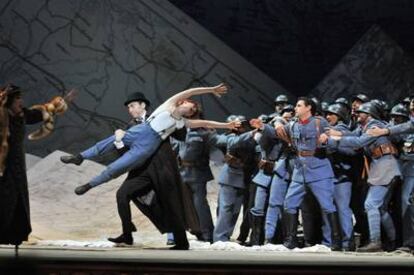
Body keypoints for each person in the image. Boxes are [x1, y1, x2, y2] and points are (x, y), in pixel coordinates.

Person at [61, 84, 240, 195]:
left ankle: (89, 185)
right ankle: (79, 157)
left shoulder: (181, 123)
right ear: (183, 102)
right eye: (189, 105)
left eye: (192, 110)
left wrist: (227, 126)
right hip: (142, 130)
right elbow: (191, 90)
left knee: (118, 167)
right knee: (109, 140)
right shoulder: (168, 105)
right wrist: (211, 90)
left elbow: (207, 122)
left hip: (149, 144)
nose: (190, 109)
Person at [0, 84, 74, 253]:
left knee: (18, 198)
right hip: (3, 164)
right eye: (18, 98)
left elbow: (39, 113)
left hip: (17, 163)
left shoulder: (21, 115)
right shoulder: (1, 116)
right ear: (9, 101)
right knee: (3, 199)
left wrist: (59, 104)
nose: (21, 101)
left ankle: (15, 235)